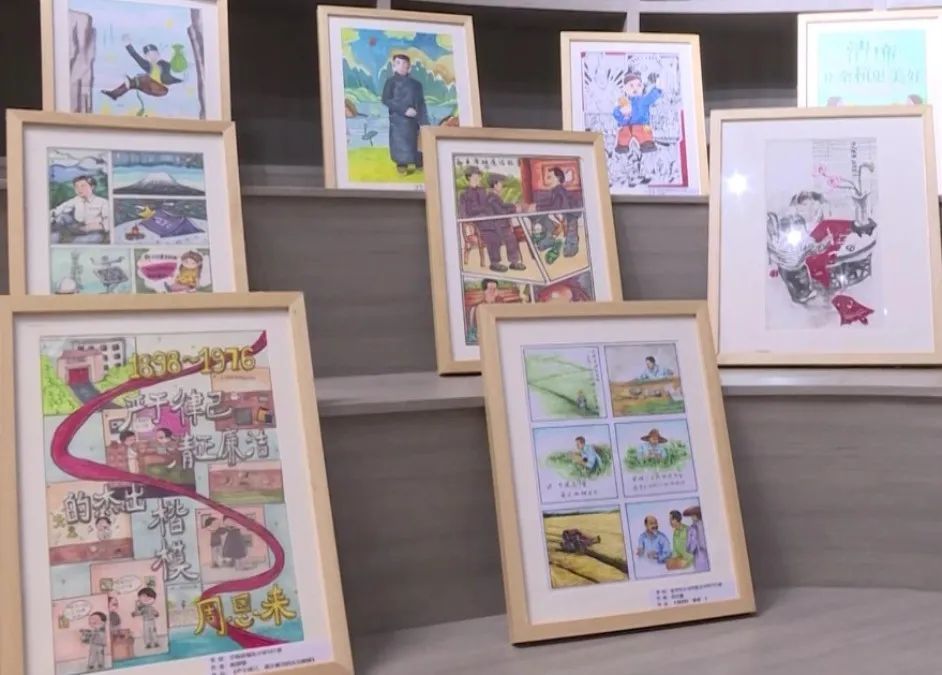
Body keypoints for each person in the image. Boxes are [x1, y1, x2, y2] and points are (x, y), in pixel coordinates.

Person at [381, 54, 428, 175]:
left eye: (404, 63)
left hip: (414, 121)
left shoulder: (416, 85)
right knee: (399, 144)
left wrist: (424, 122)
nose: (401, 66)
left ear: (409, 67)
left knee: (417, 143)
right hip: (398, 121)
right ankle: (401, 165)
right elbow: (386, 100)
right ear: (394, 66)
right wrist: (404, 110)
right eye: (398, 63)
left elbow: (421, 103)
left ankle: (419, 164)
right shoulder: (390, 82)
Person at [101, 40, 182, 101]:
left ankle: (132, 83)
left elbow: (169, 77)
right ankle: (115, 94)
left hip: (161, 89)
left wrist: (178, 81)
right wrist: (128, 45)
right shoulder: (148, 66)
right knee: (138, 79)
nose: (151, 57)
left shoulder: (164, 64)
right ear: (146, 57)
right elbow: (136, 57)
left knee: (143, 78)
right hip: (150, 87)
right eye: (148, 55)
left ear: (158, 54)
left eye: (153, 54)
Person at [534, 167, 581, 258]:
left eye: (550, 177)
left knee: (569, 231)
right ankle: (550, 241)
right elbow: (551, 204)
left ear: (557, 179)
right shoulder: (555, 191)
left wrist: (538, 208)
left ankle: (569, 248)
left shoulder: (560, 191)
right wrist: (537, 207)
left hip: (570, 215)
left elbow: (557, 206)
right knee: (546, 221)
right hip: (564, 215)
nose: (548, 181)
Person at [50, 175, 111, 243]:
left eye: (83, 186)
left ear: (92, 187)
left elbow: (108, 223)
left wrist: (92, 227)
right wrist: (52, 215)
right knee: (61, 217)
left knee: (81, 241)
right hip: (77, 228)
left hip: (94, 231)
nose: (79, 189)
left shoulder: (103, 202)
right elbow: (59, 209)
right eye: (76, 187)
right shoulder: (76, 200)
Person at [613, 72, 662, 156]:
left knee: (646, 134)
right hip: (626, 126)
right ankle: (622, 146)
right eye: (631, 86)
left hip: (642, 125)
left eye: (638, 85)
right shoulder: (623, 102)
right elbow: (616, 113)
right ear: (624, 88)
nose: (635, 88)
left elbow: (651, 96)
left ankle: (647, 144)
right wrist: (621, 112)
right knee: (623, 135)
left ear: (642, 87)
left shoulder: (643, 100)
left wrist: (657, 89)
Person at [684, 506, 710, 572]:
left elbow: (691, 547)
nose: (691, 518)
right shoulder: (707, 525)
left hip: (699, 556)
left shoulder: (693, 528)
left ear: (696, 516)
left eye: (692, 515)